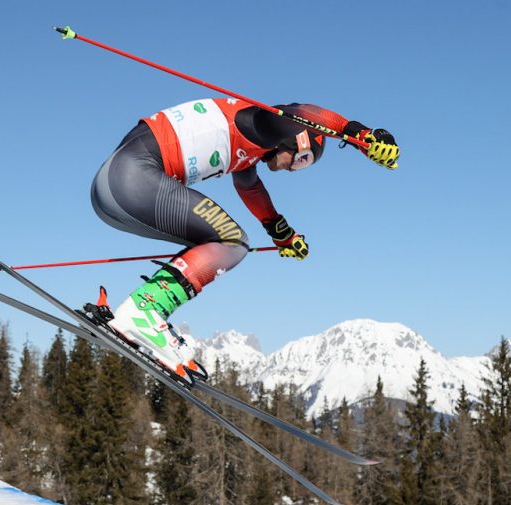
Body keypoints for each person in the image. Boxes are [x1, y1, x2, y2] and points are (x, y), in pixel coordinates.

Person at [88, 97, 399, 381]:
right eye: (302, 159)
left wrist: (280, 230)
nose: (294, 169)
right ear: (294, 139)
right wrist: (359, 134)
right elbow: (303, 114)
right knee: (232, 242)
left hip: (115, 187)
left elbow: (250, 189)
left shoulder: (250, 152)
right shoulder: (263, 125)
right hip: (131, 179)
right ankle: (144, 311)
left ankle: (146, 312)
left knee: (221, 241)